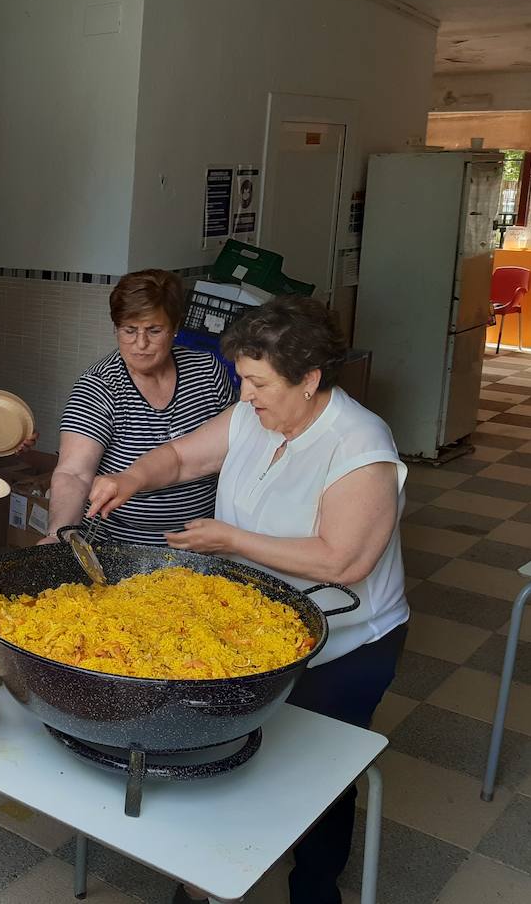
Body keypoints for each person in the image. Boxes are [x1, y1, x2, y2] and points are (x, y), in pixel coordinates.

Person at [86, 295, 409, 904]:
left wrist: (232, 539)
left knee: (318, 776)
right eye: (242, 379)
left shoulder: (358, 442)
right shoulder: (251, 418)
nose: (247, 394)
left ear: (309, 379)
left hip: (345, 642)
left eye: (258, 382)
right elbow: (182, 455)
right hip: (258, 631)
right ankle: (205, 877)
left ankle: (315, 887)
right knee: (228, 756)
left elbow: (345, 561)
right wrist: (129, 478)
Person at [45, 269, 233, 544]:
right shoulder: (99, 386)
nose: (141, 344)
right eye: (129, 331)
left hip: (200, 541)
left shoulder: (208, 373)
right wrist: (58, 534)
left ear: (175, 327)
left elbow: (232, 446)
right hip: (118, 544)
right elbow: (74, 473)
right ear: (116, 328)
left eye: (154, 330)